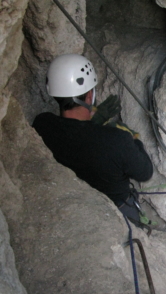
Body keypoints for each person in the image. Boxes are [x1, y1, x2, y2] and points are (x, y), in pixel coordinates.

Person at [32, 54, 153, 225]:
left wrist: (96, 121)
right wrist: (134, 140)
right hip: (116, 212)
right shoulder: (117, 141)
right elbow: (145, 172)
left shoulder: (42, 124)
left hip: (72, 203)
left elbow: (78, 136)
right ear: (89, 96)